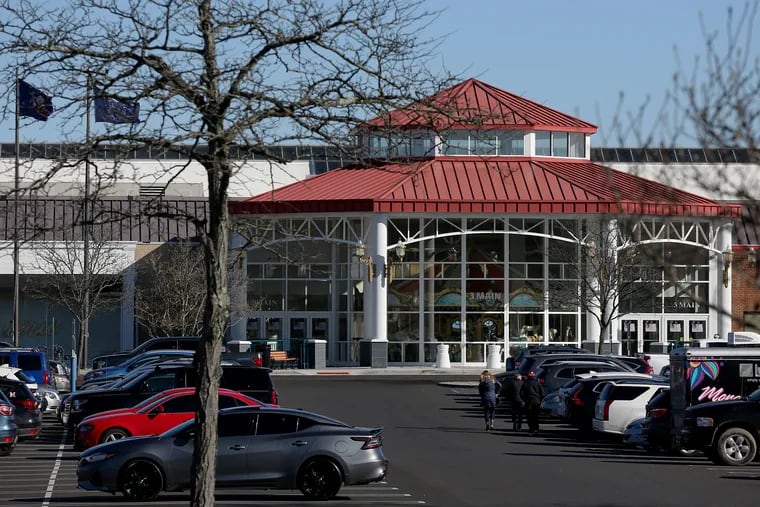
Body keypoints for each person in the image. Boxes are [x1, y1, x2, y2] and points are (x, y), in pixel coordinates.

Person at [520, 370, 544, 435]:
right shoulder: (538, 384)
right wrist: (540, 400)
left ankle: (531, 429)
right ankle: (536, 428)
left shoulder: (525, 384)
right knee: (536, 415)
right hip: (536, 401)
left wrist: (524, 399)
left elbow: (521, 394)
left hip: (528, 401)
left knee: (529, 416)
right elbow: (542, 393)